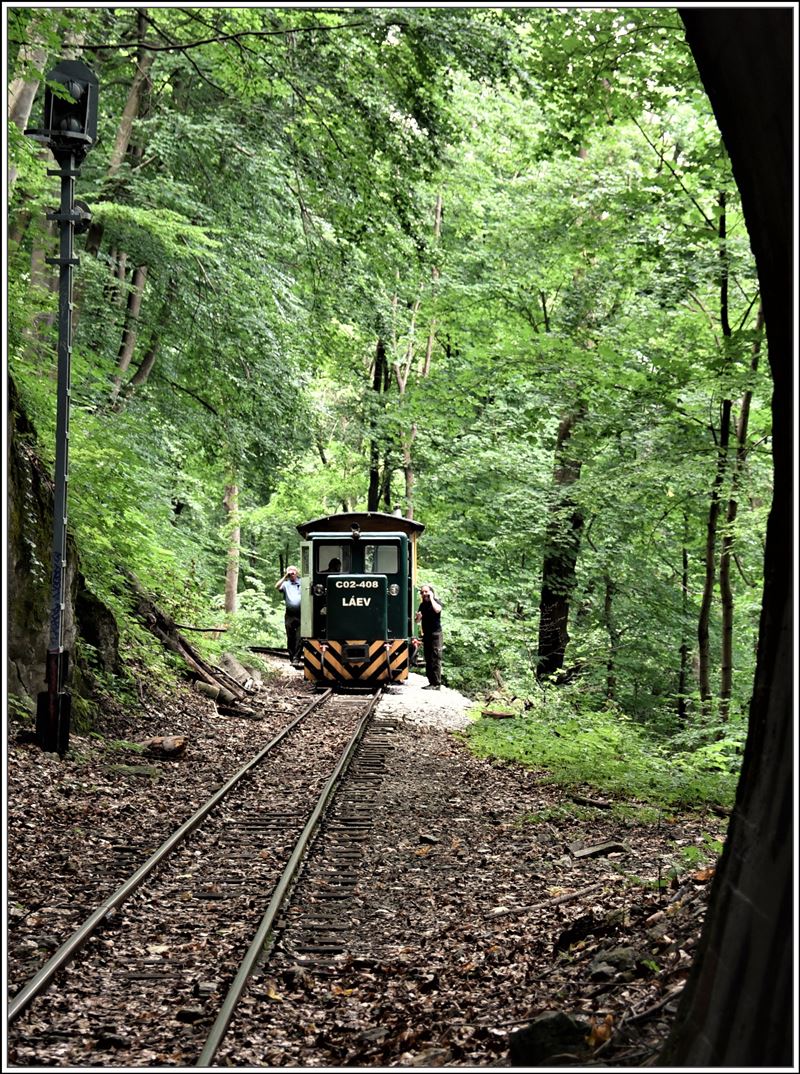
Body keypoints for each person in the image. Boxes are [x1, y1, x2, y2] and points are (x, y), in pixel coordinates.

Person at [415, 583, 443, 690]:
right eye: (422, 592)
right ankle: (431, 682)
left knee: (435, 658)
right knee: (428, 658)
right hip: (426, 634)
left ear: (431, 592)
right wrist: (418, 617)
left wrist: (431, 598)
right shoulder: (422, 605)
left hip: (436, 634)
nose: (424, 594)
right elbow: (417, 621)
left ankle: (437, 683)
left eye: (426, 592)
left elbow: (437, 610)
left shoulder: (436, 602)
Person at [276, 565, 302, 666]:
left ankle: (296, 658)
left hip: (301, 614)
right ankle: (292, 657)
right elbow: (277, 586)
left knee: (300, 637)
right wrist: (285, 576)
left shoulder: (302, 582)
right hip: (289, 615)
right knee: (290, 636)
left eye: (293, 571)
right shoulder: (286, 584)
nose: (292, 573)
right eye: (290, 571)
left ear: (297, 572)